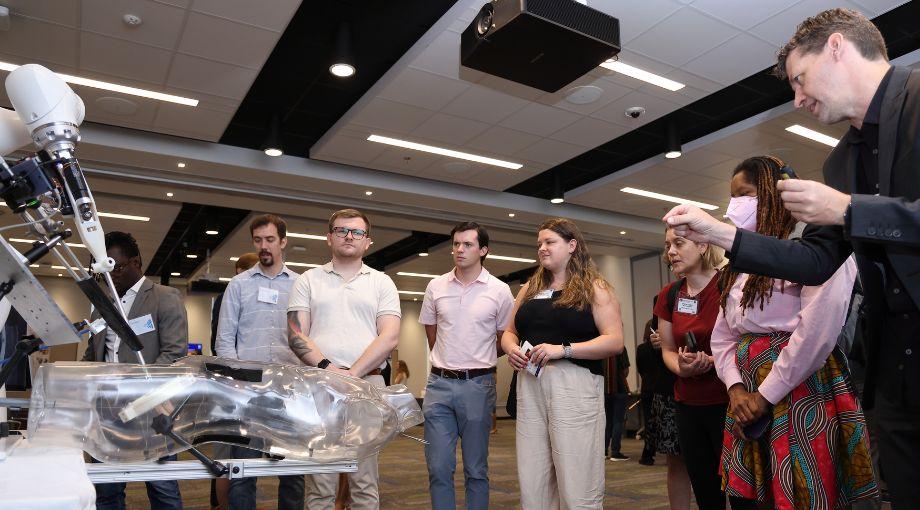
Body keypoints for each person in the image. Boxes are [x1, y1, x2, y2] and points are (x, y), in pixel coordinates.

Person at [662, 9, 920, 508]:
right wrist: (720, 233)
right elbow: (814, 261)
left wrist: (848, 210)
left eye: (801, 80)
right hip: (896, 373)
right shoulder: (840, 160)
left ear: (838, 48)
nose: (798, 99)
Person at [710, 156, 877, 509]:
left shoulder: (818, 246)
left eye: (746, 195)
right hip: (744, 395)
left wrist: (765, 395)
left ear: (774, 193)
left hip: (801, 388)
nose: (734, 206)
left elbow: (817, 331)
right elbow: (723, 335)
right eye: (733, 197)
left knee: (803, 489)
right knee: (750, 499)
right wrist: (737, 388)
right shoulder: (740, 263)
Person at [500, 218, 624, 509]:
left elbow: (614, 341)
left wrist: (563, 350)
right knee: (534, 479)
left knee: (577, 478)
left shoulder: (595, 288)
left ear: (571, 246)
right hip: (530, 385)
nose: (542, 248)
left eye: (549, 242)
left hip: (574, 386)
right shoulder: (530, 288)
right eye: (539, 243)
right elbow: (509, 331)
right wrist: (510, 349)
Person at [287, 208, 401, 510]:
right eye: (341, 230)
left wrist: (352, 374)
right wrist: (329, 369)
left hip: (368, 386)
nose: (349, 236)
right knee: (320, 483)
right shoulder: (308, 280)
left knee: (364, 482)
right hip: (319, 387)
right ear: (329, 238)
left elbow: (389, 336)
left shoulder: (381, 282)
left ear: (368, 242)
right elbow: (297, 334)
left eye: (357, 232)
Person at [82, 231, 187, 510]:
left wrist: (135, 388)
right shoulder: (101, 306)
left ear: (136, 262)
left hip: (151, 409)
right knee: (107, 491)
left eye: (117, 266)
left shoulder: (165, 297)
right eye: (104, 268)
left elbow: (174, 355)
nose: (110, 273)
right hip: (108, 413)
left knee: (162, 490)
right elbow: (93, 355)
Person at [419, 221, 514, 510]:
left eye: (468, 244)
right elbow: (432, 334)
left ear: (483, 250)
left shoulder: (499, 290)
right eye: (456, 244)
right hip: (438, 386)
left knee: (475, 469)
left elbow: (505, 338)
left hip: (478, 385)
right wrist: (452, 359)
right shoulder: (436, 286)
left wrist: (475, 358)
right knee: (438, 467)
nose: (459, 250)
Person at [214, 214, 304, 510]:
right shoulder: (238, 285)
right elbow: (225, 340)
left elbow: (307, 337)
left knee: (292, 473)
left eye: (270, 240)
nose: (264, 246)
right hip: (248, 391)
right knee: (243, 471)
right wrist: (237, 382)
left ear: (283, 242)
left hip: (288, 392)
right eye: (258, 240)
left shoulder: (300, 285)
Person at [653, 226, 728, 510]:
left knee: (740, 490)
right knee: (705, 489)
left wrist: (713, 361)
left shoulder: (729, 286)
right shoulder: (669, 295)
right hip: (688, 404)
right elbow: (668, 349)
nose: (670, 251)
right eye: (668, 245)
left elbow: (746, 343)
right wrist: (682, 368)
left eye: (679, 243)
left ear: (703, 247)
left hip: (730, 403)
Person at [208, 251, 259, 510]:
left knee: (238, 458)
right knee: (227, 456)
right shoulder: (224, 299)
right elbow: (221, 342)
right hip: (231, 385)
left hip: (253, 386)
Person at [649, 295, 692, 510]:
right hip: (669, 389)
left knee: (719, 462)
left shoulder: (717, 288)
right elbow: (661, 347)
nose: (674, 260)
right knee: (675, 461)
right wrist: (656, 345)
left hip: (711, 385)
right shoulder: (666, 296)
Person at [635, 318, 658, 466]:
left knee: (649, 421)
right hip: (660, 388)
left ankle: (648, 454)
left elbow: (640, 369)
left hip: (646, 388)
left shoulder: (641, 349)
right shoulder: (662, 348)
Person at [604, 349, 630, 462]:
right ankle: (615, 452)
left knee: (607, 421)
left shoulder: (601, 347)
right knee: (618, 421)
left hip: (604, 390)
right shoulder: (620, 348)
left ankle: (603, 451)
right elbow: (625, 371)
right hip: (620, 389)